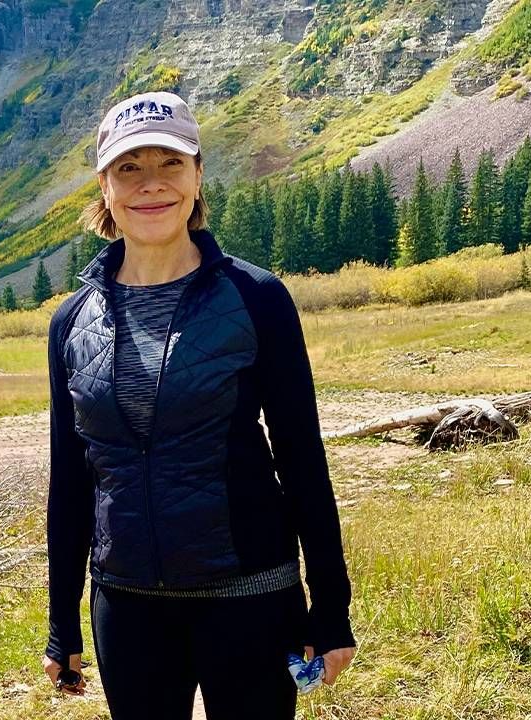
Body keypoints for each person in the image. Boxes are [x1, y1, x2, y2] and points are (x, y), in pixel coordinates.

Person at [40, 91, 357, 719]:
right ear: (104, 185)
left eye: (170, 164)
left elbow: (301, 458)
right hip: (127, 605)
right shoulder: (71, 321)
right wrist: (62, 624)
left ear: (197, 175)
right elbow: (70, 479)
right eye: (129, 167)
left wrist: (331, 608)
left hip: (251, 597)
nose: (150, 185)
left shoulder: (258, 298)